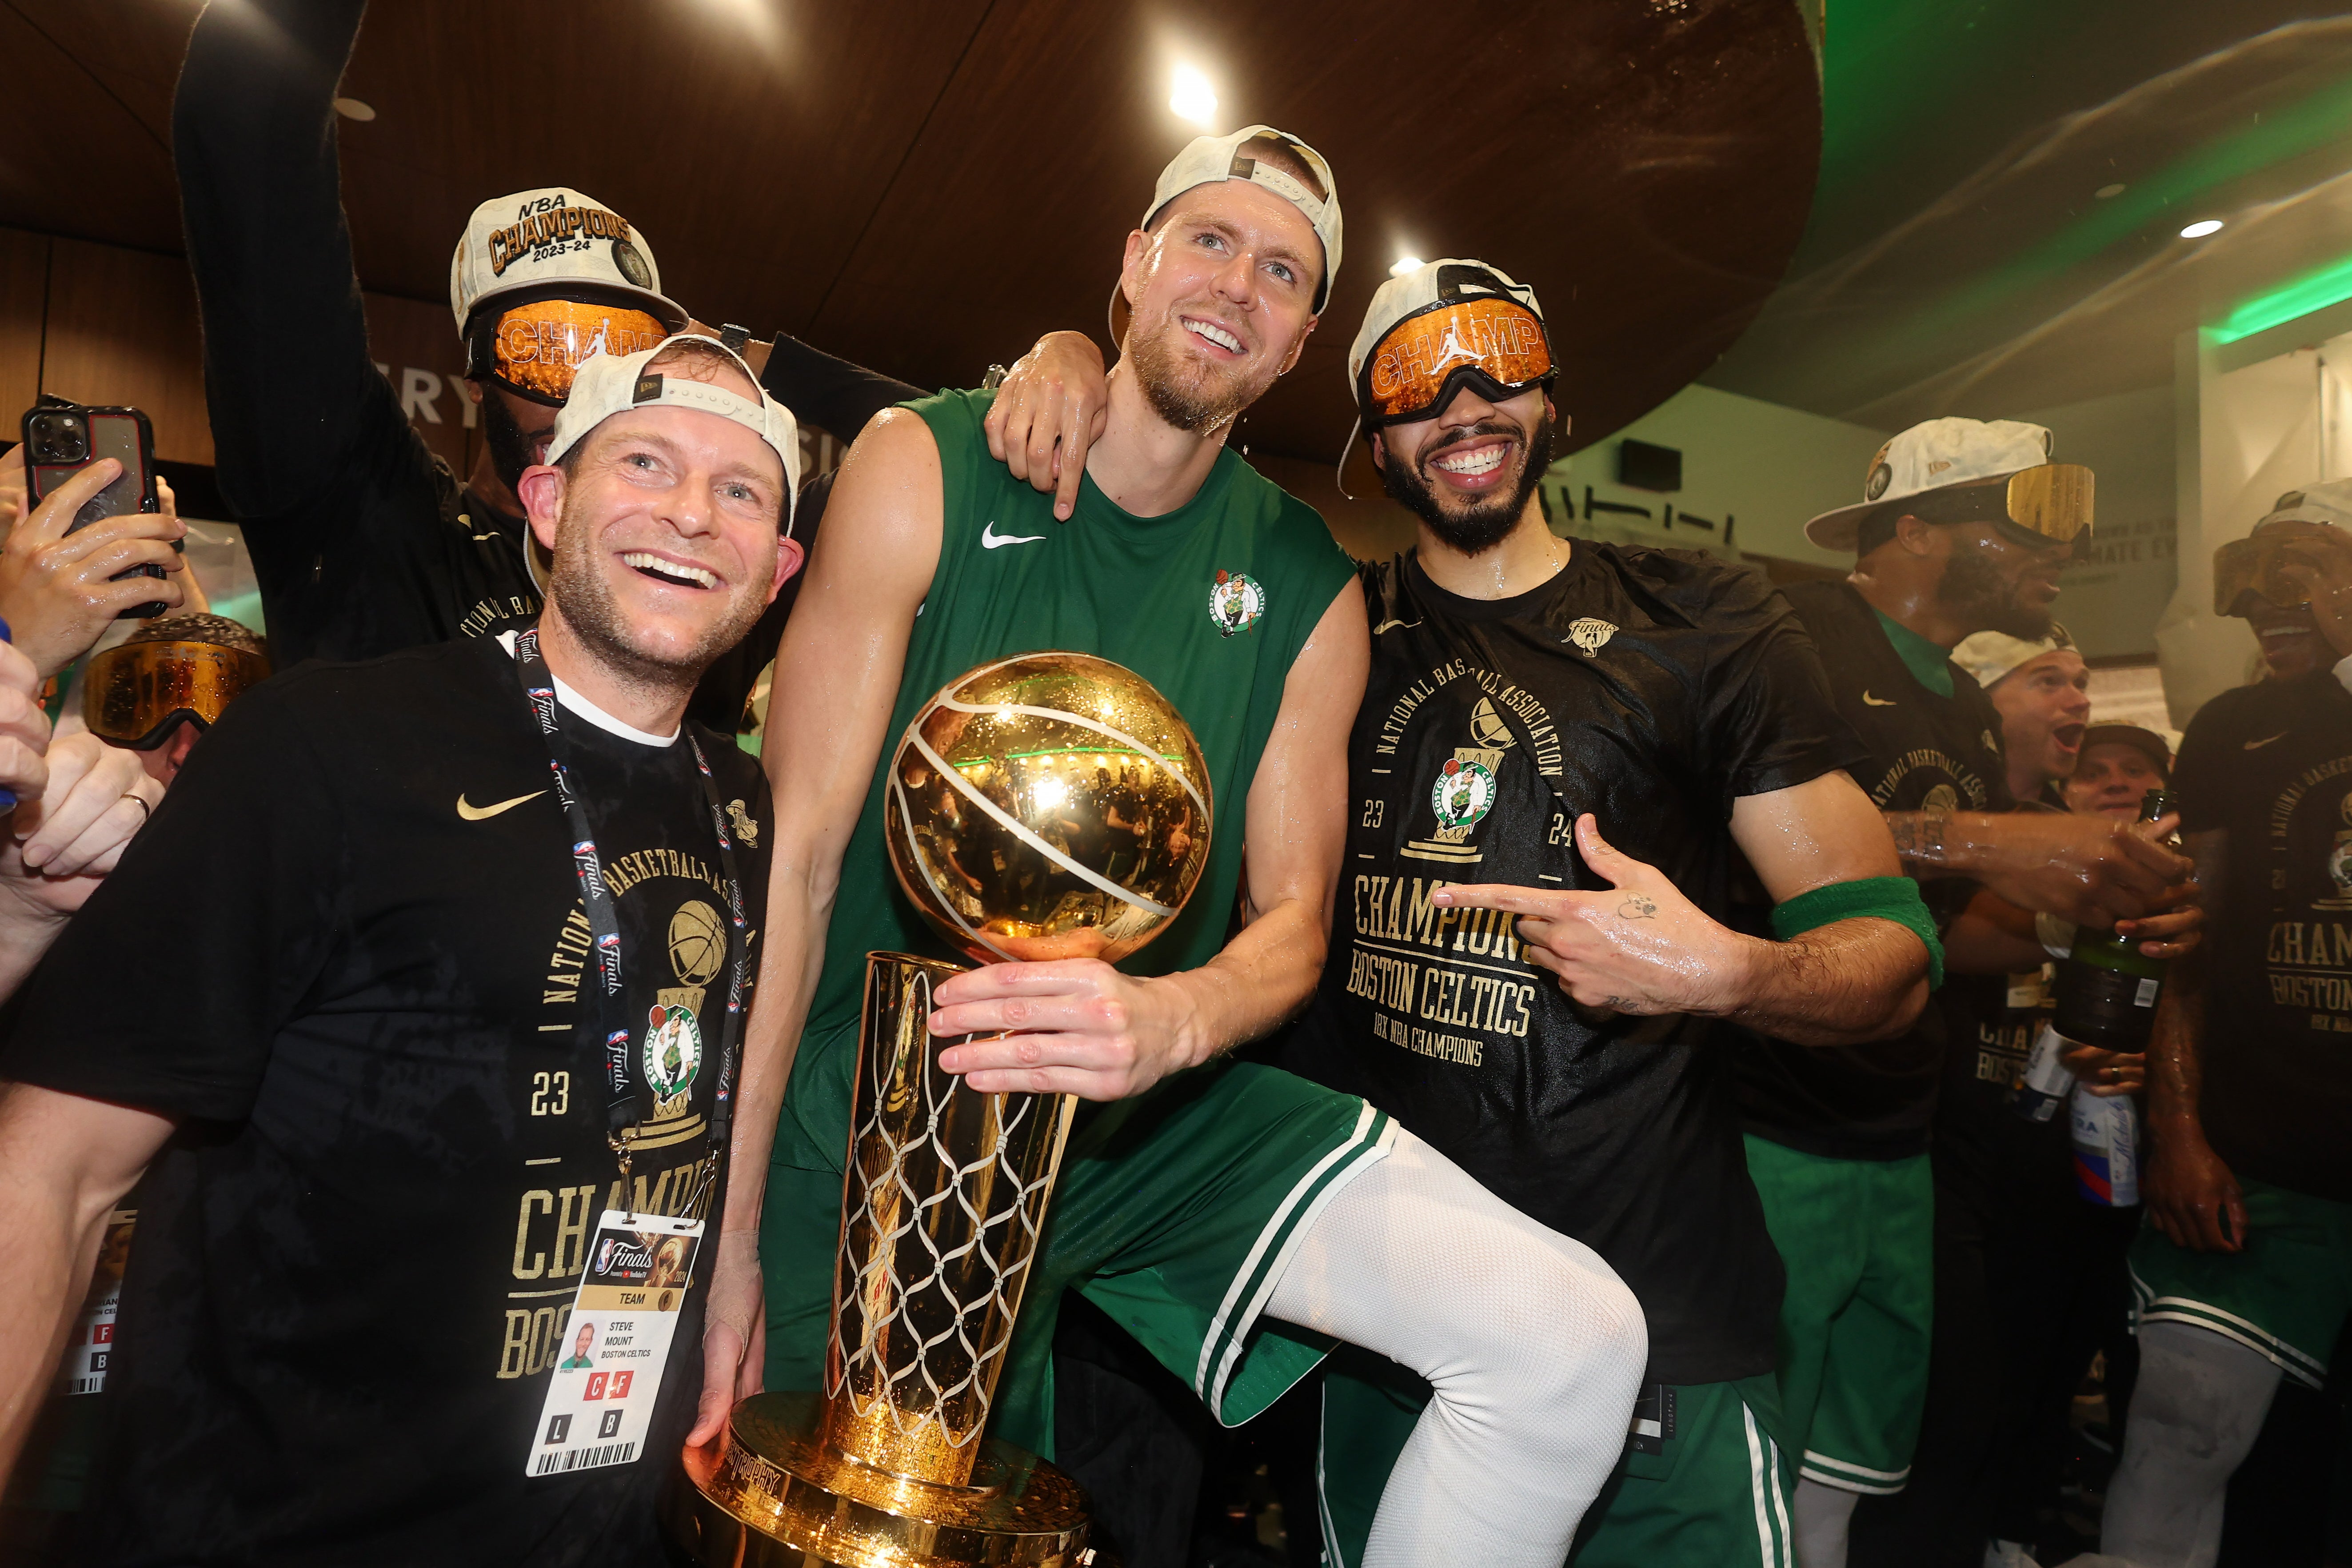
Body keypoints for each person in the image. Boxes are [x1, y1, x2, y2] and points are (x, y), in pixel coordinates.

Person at [719, 134, 1647, 1568]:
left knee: (1572, 1336)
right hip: (874, 1132)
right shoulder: (927, 467)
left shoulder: (1302, 582)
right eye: (1210, 240)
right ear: (1133, 264)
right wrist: (726, 1211)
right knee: (853, 1532)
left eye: (1285, 272)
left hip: (1146, 1112)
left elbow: (1291, 919)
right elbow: (799, 857)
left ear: (1298, 342)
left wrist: (1170, 1017)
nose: (1240, 284)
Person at [0, 333, 795, 1563]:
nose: (691, 514)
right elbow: (51, 1172)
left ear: (779, 567)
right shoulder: (325, 747)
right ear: (546, 499)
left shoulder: (742, 801)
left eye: (739, 489)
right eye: (645, 463)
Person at [1273, 258, 1937, 1568]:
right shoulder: (1331, 633)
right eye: (1413, 378)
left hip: (1664, 1328)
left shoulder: (1699, 620)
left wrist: (1727, 976)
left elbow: (1891, 957)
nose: (1463, 400)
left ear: (1555, 400)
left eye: (1497, 357)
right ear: (1372, 441)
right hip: (1405, 1333)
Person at [172, 0, 1099, 710]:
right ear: (479, 372)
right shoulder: (368, 524)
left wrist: (1052, 363)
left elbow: (962, 458)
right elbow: (242, 122)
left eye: (616, 348)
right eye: (542, 344)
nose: (581, 383)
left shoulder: (715, 560)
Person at [1733, 417, 2199, 1568]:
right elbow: (1742, 831)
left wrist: (2089, 902)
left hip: (1907, 1123)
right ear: (1915, 528)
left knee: (1909, 1452)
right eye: (2034, 512)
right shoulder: (1794, 638)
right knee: (1755, 1455)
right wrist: (2000, 839)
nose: (2071, 541)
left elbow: (1942, 928)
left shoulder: (1952, 703)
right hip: (1767, 1115)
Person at [1853, 632, 2159, 1568]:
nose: (2074, 698)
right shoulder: (1968, 839)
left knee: (2030, 1378)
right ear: (1980, 703)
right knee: (1956, 1393)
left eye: (2082, 679)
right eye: (2048, 682)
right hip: (1941, 1153)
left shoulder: (2057, 848)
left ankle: (2010, 1536)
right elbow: (1948, 946)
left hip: (2044, 1170)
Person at [2093, 485, 2352, 1568]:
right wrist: (2181, 1128)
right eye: (2252, 573)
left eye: (2302, 568)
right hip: (2259, 1163)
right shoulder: (2238, 729)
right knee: (2179, 1433)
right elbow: (2180, 940)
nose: (2262, 599)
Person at [1958, 627, 2091, 809]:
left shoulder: (2075, 830)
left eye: (2080, 684)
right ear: (1978, 699)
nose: (2082, 702)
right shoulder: (1925, 816)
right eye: (2049, 681)